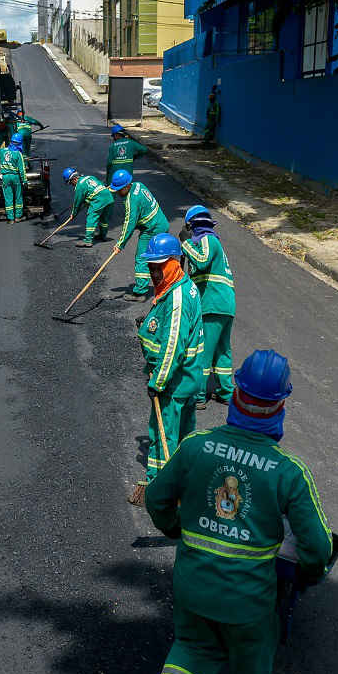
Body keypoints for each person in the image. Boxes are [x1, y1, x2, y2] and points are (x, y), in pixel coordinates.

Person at [141, 349, 334, 674]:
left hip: (193, 587)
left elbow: (156, 498)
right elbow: (318, 548)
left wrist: (175, 529)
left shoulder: (195, 447)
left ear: (236, 396)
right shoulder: (289, 472)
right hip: (248, 605)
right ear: (280, 406)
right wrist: (307, 575)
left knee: (191, 648)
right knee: (251, 670)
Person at [135, 234, 204, 488]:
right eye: (151, 267)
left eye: (159, 267)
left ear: (174, 263)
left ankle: (159, 486)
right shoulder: (184, 286)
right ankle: (183, 481)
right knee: (184, 436)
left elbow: (172, 346)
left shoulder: (177, 298)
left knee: (163, 434)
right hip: (189, 378)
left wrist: (158, 382)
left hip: (175, 382)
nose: (154, 273)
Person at [180, 205, 236, 408]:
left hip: (212, 303)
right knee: (222, 350)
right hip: (224, 305)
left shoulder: (206, 239)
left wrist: (185, 243)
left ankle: (199, 395)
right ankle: (226, 392)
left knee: (203, 350)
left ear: (192, 226)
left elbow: (202, 262)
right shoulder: (213, 243)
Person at [111, 169, 170, 300]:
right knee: (160, 258)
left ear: (127, 186)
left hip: (152, 229)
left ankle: (140, 292)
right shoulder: (139, 185)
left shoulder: (131, 201)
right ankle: (169, 284)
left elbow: (129, 224)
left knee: (142, 258)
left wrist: (120, 244)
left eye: (120, 190)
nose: (118, 193)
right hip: (161, 222)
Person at [62, 168, 114, 246]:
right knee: (103, 219)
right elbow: (96, 187)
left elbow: (77, 203)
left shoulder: (79, 186)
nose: (71, 185)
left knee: (91, 218)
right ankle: (103, 235)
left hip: (98, 200)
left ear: (74, 179)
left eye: (70, 183)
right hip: (108, 198)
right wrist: (87, 200)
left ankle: (88, 241)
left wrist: (73, 214)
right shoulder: (90, 177)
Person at [0, 134, 29, 223]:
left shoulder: (3, 151)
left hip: (5, 177)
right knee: (18, 197)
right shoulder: (18, 154)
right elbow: (22, 169)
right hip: (16, 177)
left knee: (8, 198)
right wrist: (25, 181)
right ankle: (18, 217)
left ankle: (10, 219)